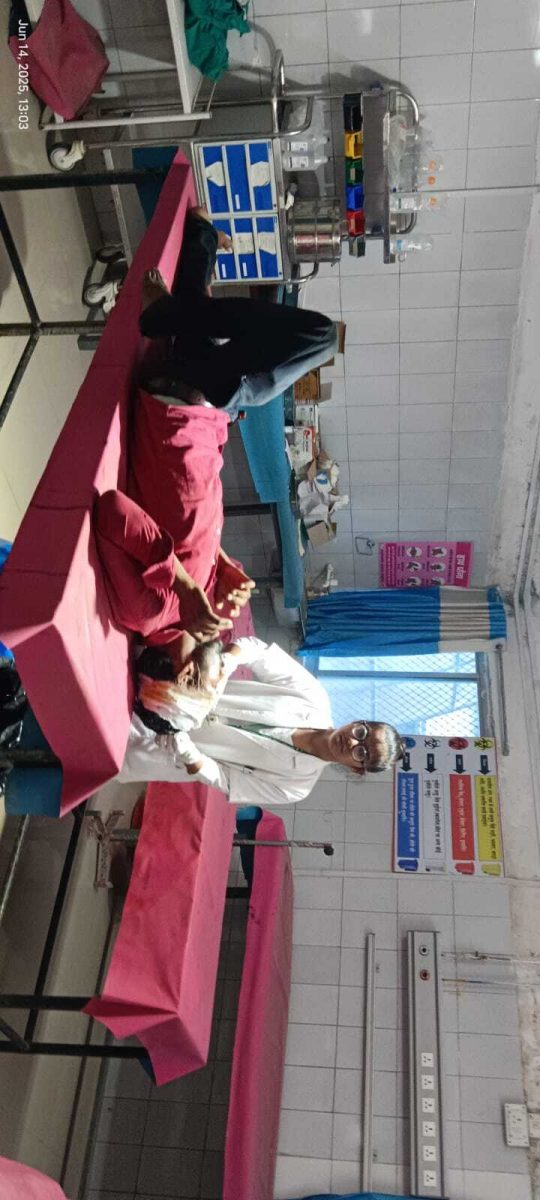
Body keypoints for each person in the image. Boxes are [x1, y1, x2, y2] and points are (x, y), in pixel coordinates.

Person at [94, 491, 404, 807]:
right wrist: (222, 667)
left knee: (93, 738)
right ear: (359, 722)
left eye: (361, 753)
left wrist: (185, 749)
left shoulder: (296, 786)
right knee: (102, 679)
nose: (352, 742)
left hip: (160, 748)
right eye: (362, 733)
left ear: (356, 768)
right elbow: (258, 652)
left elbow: (227, 780)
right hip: (171, 682)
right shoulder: (313, 697)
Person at [138, 205, 341, 419]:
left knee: (326, 337)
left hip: (215, 389)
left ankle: (202, 237)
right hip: (206, 382)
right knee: (195, 304)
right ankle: (203, 235)